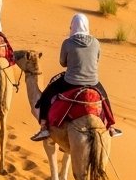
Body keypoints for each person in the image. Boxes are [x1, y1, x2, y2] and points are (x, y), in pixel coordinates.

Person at [31, 12, 119, 140]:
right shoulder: (95, 42)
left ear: (73, 26)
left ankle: (44, 127)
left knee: (46, 95)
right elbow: (97, 60)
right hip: (92, 82)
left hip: (71, 81)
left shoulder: (68, 43)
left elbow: (62, 63)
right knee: (104, 98)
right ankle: (111, 126)